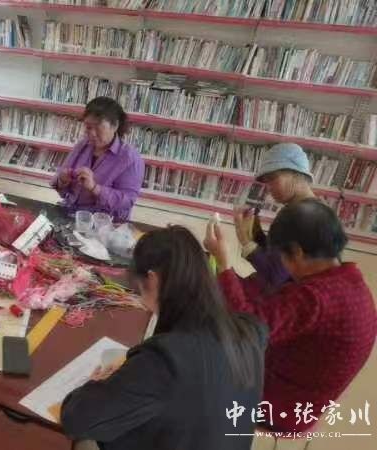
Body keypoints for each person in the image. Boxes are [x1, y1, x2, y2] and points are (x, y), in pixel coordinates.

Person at [61, 226, 267, 450]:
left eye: (138, 288)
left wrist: (96, 383)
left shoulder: (166, 360)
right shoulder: (250, 331)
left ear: (152, 280)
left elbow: (76, 419)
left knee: (85, 439)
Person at [205, 199, 377, 433]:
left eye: (282, 257)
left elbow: (246, 328)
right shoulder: (348, 281)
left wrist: (224, 265)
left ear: (297, 252)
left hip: (280, 408)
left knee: (191, 363)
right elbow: (277, 302)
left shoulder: (316, 298)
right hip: (299, 394)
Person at [235, 142, 315, 293]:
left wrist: (246, 242)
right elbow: (277, 255)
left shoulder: (299, 216)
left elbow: (274, 276)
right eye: (266, 181)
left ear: (295, 173)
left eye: (272, 178)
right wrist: (255, 231)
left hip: (292, 299)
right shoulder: (313, 209)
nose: (268, 187)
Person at [53, 97, 144, 223]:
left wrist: (95, 188)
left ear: (115, 125)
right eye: (88, 127)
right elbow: (60, 185)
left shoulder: (130, 158)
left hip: (105, 223)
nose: (92, 134)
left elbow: (127, 202)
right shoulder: (82, 145)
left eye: (98, 127)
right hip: (73, 213)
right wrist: (62, 180)